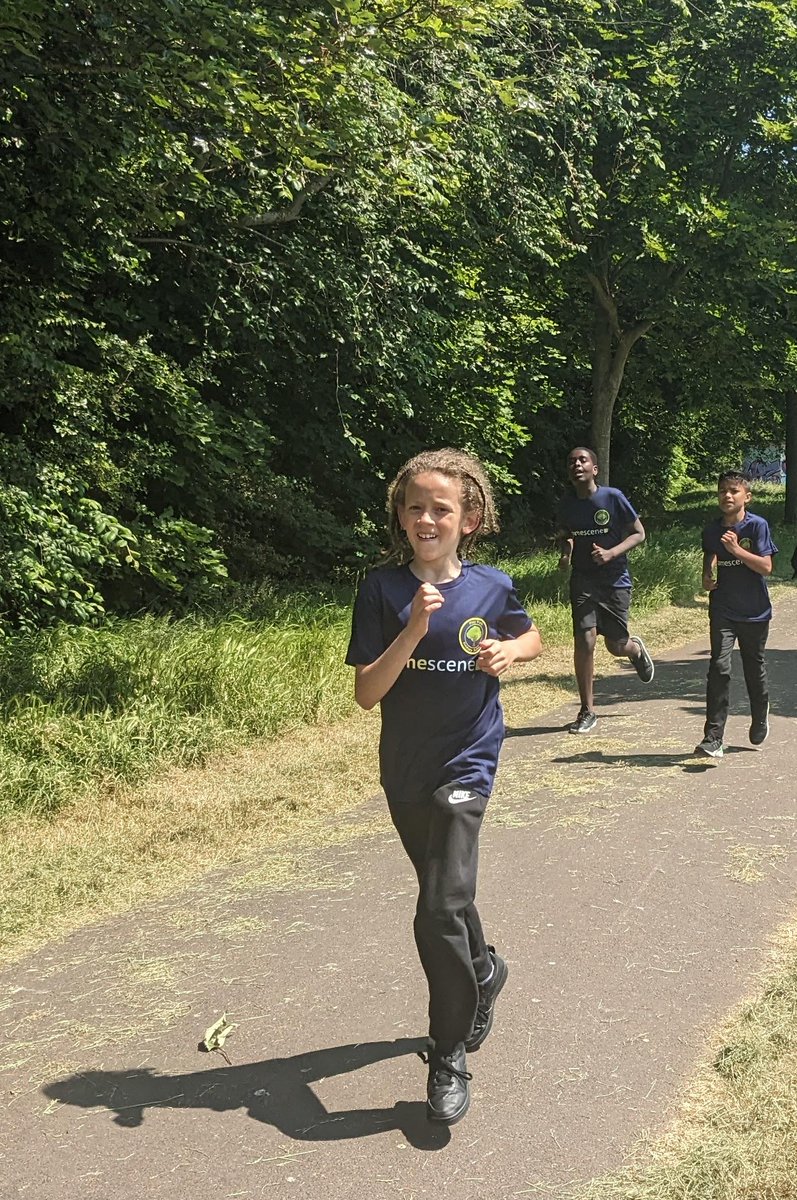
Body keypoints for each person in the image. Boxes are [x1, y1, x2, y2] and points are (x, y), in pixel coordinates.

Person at [345, 448, 541, 1126]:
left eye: (441, 509)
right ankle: (483, 970)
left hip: (468, 760)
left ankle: (448, 1048)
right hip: (404, 767)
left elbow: (529, 636)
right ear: (400, 516)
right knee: (445, 897)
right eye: (415, 507)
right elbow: (367, 692)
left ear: (469, 519)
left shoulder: (491, 586)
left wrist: (509, 653)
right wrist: (414, 629)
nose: (427, 518)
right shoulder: (380, 590)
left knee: (436, 908)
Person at [556, 446, 654, 733]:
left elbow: (639, 533)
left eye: (582, 460)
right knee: (585, 639)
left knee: (615, 645)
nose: (577, 464)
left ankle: (634, 650)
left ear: (594, 469)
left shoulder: (612, 498)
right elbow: (566, 536)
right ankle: (587, 710)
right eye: (572, 461)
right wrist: (565, 554)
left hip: (614, 579)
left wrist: (612, 553)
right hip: (583, 579)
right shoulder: (566, 504)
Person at [694, 470, 778, 759]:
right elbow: (710, 551)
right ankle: (713, 737)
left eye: (733, 491)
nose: (727, 496)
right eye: (722, 491)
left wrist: (736, 550)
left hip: (754, 611)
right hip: (722, 609)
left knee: (753, 667)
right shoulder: (711, 529)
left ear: (747, 497)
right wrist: (707, 572)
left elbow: (767, 567)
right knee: (718, 666)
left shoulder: (757, 527)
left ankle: (760, 713)